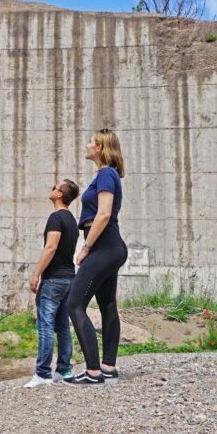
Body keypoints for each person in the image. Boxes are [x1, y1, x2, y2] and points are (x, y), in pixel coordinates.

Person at [64, 129, 128, 386]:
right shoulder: (107, 175)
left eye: (92, 142)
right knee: (107, 305)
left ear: (100, 148)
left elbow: (102, 215)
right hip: (111, 246)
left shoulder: (105, 174)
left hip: (104, 247)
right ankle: (108, 367)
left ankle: (93, 372)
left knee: (74, 303)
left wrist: (86, 247)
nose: (88, 145)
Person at [24, 179, 80, 388]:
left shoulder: (56, 218)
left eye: (54, 187)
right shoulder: (71, 221)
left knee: (45, 326)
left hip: (54, 279)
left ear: (59, 195)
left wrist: (36, 274)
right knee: (63, 326)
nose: (52, 189)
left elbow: (51, 247)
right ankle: (64, 370)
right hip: (69, 279)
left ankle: (43, 373)